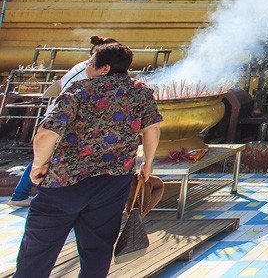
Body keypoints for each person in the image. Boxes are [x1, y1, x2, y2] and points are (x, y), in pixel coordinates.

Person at [14, 40, 163, 277]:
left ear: (104, 68)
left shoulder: (80, 91)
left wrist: (39, 166)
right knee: (98, 249)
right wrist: (148, 163)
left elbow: (45, 134)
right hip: (114, 182)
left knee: (39, 250)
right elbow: (152, 128)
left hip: (66, 181)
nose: (87, 69)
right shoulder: (141, 92)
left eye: (91, 64)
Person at [9, 36, 110, 208]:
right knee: (46, 156)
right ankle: (20, 195)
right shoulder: (87, 70)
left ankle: (23, 194)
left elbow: (56, 88)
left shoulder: (87, 68)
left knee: (50, 155)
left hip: (66, 116)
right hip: (60, 118)